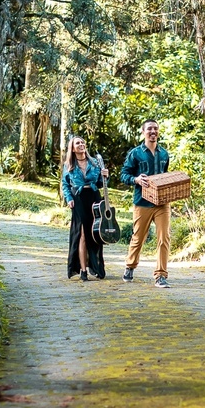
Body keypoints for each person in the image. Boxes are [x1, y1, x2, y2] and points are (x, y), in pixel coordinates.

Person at [118, 119, 172, 288]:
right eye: (149, 129)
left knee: (164, 238)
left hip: (162, 203)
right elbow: (123, 175)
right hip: (142, 202)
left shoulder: (164, 154)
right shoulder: (135, 153)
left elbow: (165, 175)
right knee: (138, 237)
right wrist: (136, 179)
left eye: (155, 128)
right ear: (143, 132)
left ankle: (161, 275)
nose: (153, 131)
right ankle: (130, 266)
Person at [61, 136, 108, 281]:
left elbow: (101, 183)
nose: (81, 145)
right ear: (72, 148)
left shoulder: (94, 162)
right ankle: (82, 270)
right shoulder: (68, 164)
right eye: (78, 143)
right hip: (78, 199)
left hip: (94, 198)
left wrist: (106, 176)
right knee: (81, 235)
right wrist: (69, 199)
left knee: (94, 234)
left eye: (82, 142)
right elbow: (65, 184)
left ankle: (96, 266)